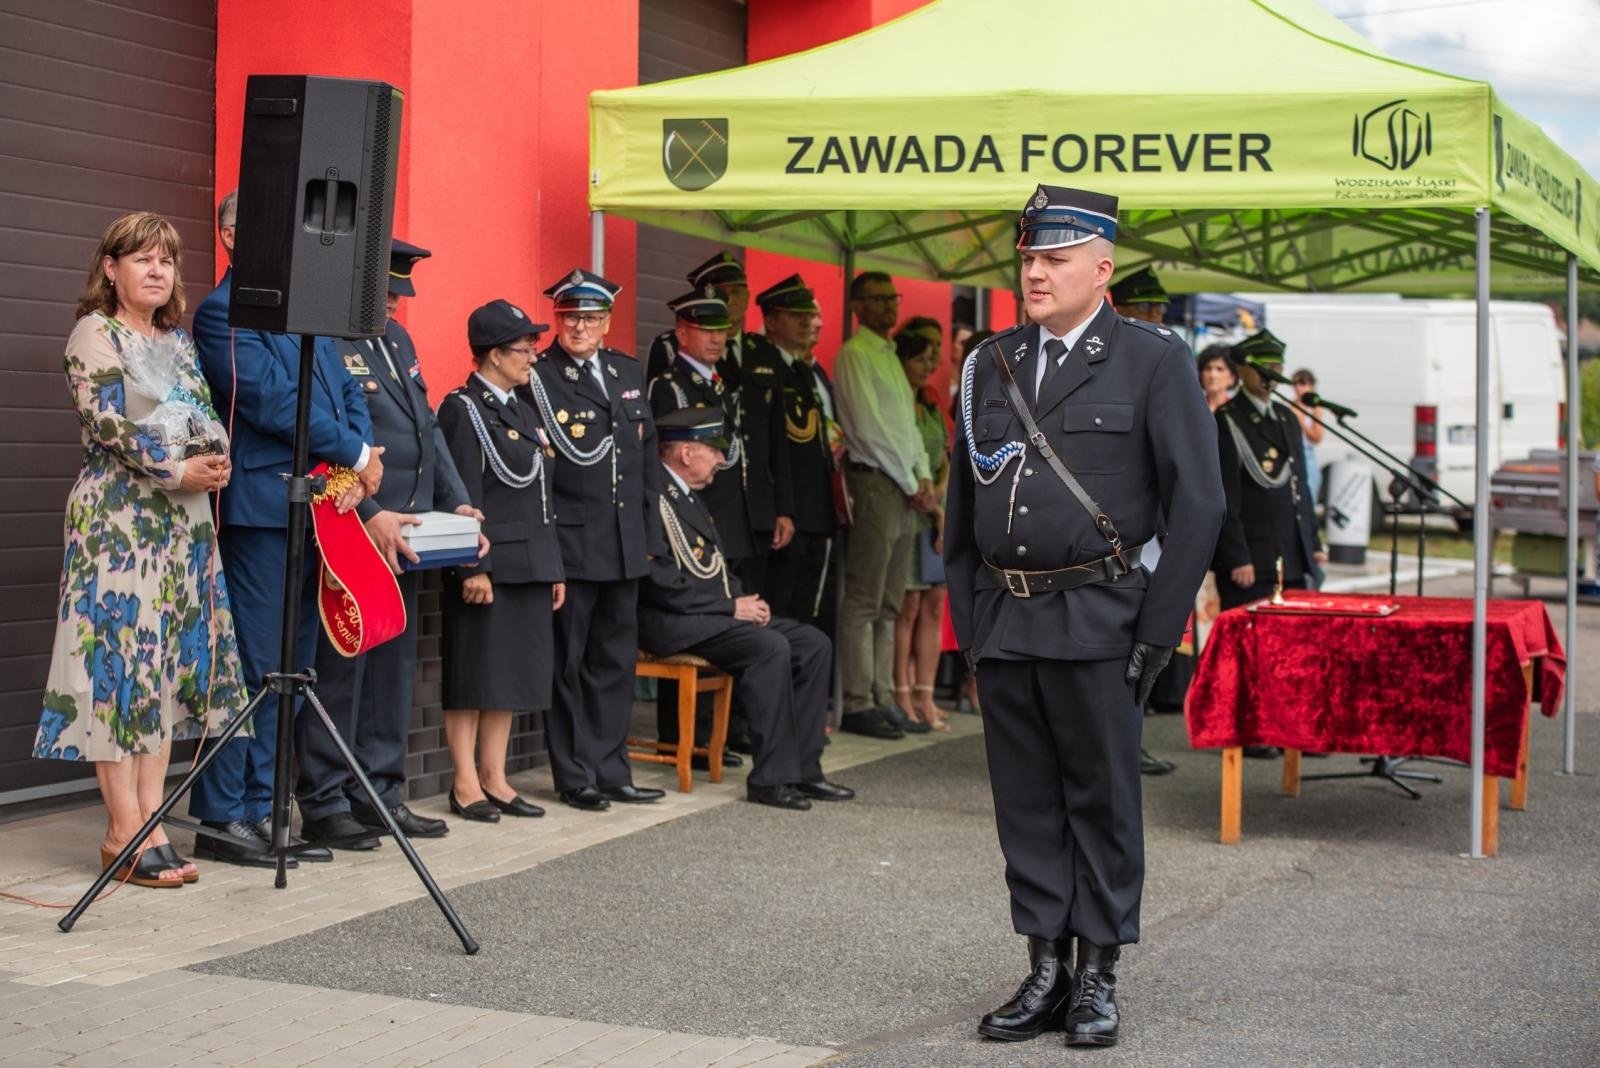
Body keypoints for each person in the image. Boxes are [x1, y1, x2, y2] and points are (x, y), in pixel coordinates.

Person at [946, 184, 1224, 1048]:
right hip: (1008, 617)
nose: (1035, 272)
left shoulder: (1151, 360)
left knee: (1100, 802)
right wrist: (971, 628)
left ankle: (1098, 971)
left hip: (1100, 617)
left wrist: (1158, 632)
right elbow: (961, 512)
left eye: (1055, 258)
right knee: (1026, 804)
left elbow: (1200, 504)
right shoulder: (990, 363)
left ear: (1101, 270)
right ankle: (1045, 968)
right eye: (1029, 257)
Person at [33, 211, 247, 887]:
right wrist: (178, 468)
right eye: (142, 259)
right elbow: (111, 424)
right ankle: (122, 830)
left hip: (184, 525)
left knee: (161, 672)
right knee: (119, 669)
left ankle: (152, 821)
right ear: (111, 268)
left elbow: (202, 417)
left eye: (166, 260)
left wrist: (214, 458)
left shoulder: (177, 342)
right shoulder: (96, 334)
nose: (157, 271)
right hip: (120, 525)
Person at [191, 191, 379, 867]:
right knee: (252, 667)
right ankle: (223, 817)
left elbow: (347, 390)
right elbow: (274, 402)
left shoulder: (307, 313)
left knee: (291, 670)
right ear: (232, 236)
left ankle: (268, 811)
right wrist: (354, 452)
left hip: (316, 511)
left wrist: (360, 460)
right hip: (262, 512)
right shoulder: (224, 310)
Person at [298, 239, 479, 850]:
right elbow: (328, 438)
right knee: (342, 668)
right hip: (353, 526)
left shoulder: (395, 340)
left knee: (391, 672)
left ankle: (379, 793)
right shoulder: (329, 339)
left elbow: (426, 429)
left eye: (399, 295)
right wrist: (372, 513)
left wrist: (456, 499)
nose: (395, 305)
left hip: (407, 533)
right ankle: (326, 800)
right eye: (386, 293)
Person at [640, 408, 855, 811]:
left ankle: (805, 770)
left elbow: (715, 568)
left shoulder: (688, 496)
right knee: (769, 647)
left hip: (710, 615)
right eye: (713, 450)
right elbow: (659, 582)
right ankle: (771, 780)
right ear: (686, 452)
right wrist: (730, 607)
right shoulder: (651, 496)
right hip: (674, 622)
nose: (721, 459)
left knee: (813, 643)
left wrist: (746, 603)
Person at [527, 269, 665, 811]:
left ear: (607, 322)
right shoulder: (540, 376)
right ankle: (574, 774)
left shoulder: (625, 370)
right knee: (568, 664)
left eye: (589, 318)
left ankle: (612, 770)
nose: (579, 327)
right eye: (569, 317)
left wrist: (650, 535)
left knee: (613, 663)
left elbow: (647, 460)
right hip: (573, 544)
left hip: (625, 542)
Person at [437, 299, 565, 823]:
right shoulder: (463, 408)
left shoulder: (523, 409)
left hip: (530, 562)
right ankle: (465, 782)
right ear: (493, 354)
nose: (533, 356)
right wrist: (472, 567)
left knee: (507, 676)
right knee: (474, 674)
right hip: (489, 564)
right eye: (523, 348)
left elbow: (541, 498)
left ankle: (496, 777)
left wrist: (553, 567)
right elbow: (458, 491)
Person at [648, 252, 794, 598]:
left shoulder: (719, 384)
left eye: (721, 330)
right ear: (682, 334)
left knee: (747, 602)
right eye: (706, 331)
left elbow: (760, 442)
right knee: (712, 605)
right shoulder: (670, 385)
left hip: (739, 518)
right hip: (702, 515)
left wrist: (778, 508)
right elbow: (669, 461)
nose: (717, 339)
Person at [834, 271, 937, 740]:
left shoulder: (891, 355)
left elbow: (907, 428)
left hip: (902, 486)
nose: (888, 307)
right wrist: (911, 481)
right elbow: (869, 430)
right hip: (876, 482)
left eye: (891, 298)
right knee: (864, 598)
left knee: (890, 602)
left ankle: (881, 695)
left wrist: (923, 474)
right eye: (876, 299)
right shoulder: (855, 354)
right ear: (856, 306)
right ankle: (858, 701)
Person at [1213, 330, 1326, 614]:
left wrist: (1313, 542)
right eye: (1264, 367)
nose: (1271, 374)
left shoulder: (1287, 417)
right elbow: (1223, 496)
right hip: (1252, 561)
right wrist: (1237, 556)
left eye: (1277, 367)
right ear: (1242, 369)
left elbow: (1300, 485)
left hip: (1293, 556)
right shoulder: (1228, 419)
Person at [758, 276, 838, 636]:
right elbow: (771, 449)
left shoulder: (802, 369)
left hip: (814, 509)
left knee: (807, 608)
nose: (808, 322)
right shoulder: (764, 367)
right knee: (781, 606)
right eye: (796, 315)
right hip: (787, 512)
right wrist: (783, 507)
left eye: (809, 314)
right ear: (771, 320)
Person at [890, 329, 950, 732]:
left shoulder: (930, 403)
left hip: (936, 510)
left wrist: (939, 493)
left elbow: (945, 455)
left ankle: (926, 694)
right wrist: (929, 500)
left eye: (933, 357)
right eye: (921, 358)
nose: (930, 365)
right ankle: (902, 691)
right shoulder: (897, 403)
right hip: (909, 508)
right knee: (907, 605)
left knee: (933, 604)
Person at [1291, 367, 1327, 503]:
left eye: (1302, 383)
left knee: (1309, 496)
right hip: (1291, 453)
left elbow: (1317, 437)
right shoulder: (1290, 405)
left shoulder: (1315, 408)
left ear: (1311, 385)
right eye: (1295, 383)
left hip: (1307, 455)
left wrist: (1301, 421)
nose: (1298, 388)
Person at [1197, 344, 1239, 412]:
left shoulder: (1237, 411)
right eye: (1208, 368)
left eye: (1219, 369)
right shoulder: (1191, 408)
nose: (1212, 375)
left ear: (1232, 378)